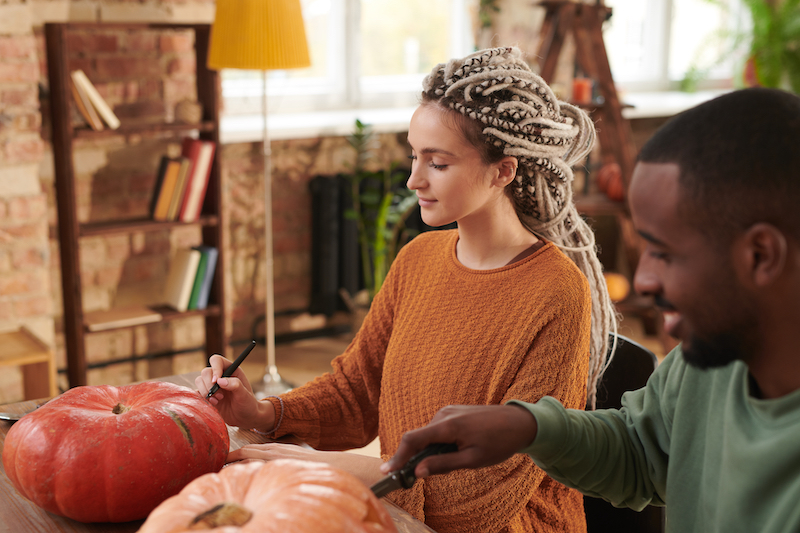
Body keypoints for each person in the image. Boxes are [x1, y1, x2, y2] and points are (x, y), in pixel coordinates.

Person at [197, 47, 618, 533]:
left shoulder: (557, 292)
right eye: (414, 157)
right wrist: (265, 411)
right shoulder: (418, 259)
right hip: (401, 513)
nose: (414, 179)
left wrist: (339, 470)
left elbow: (480, 501)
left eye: (437, 163)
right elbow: (356, 393)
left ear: (504, 170)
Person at [382, 87, 800, 533]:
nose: (643, 281)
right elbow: (641, 451)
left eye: (665, 253)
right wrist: (527, 427)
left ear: (760, 255)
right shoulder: (704, 364)